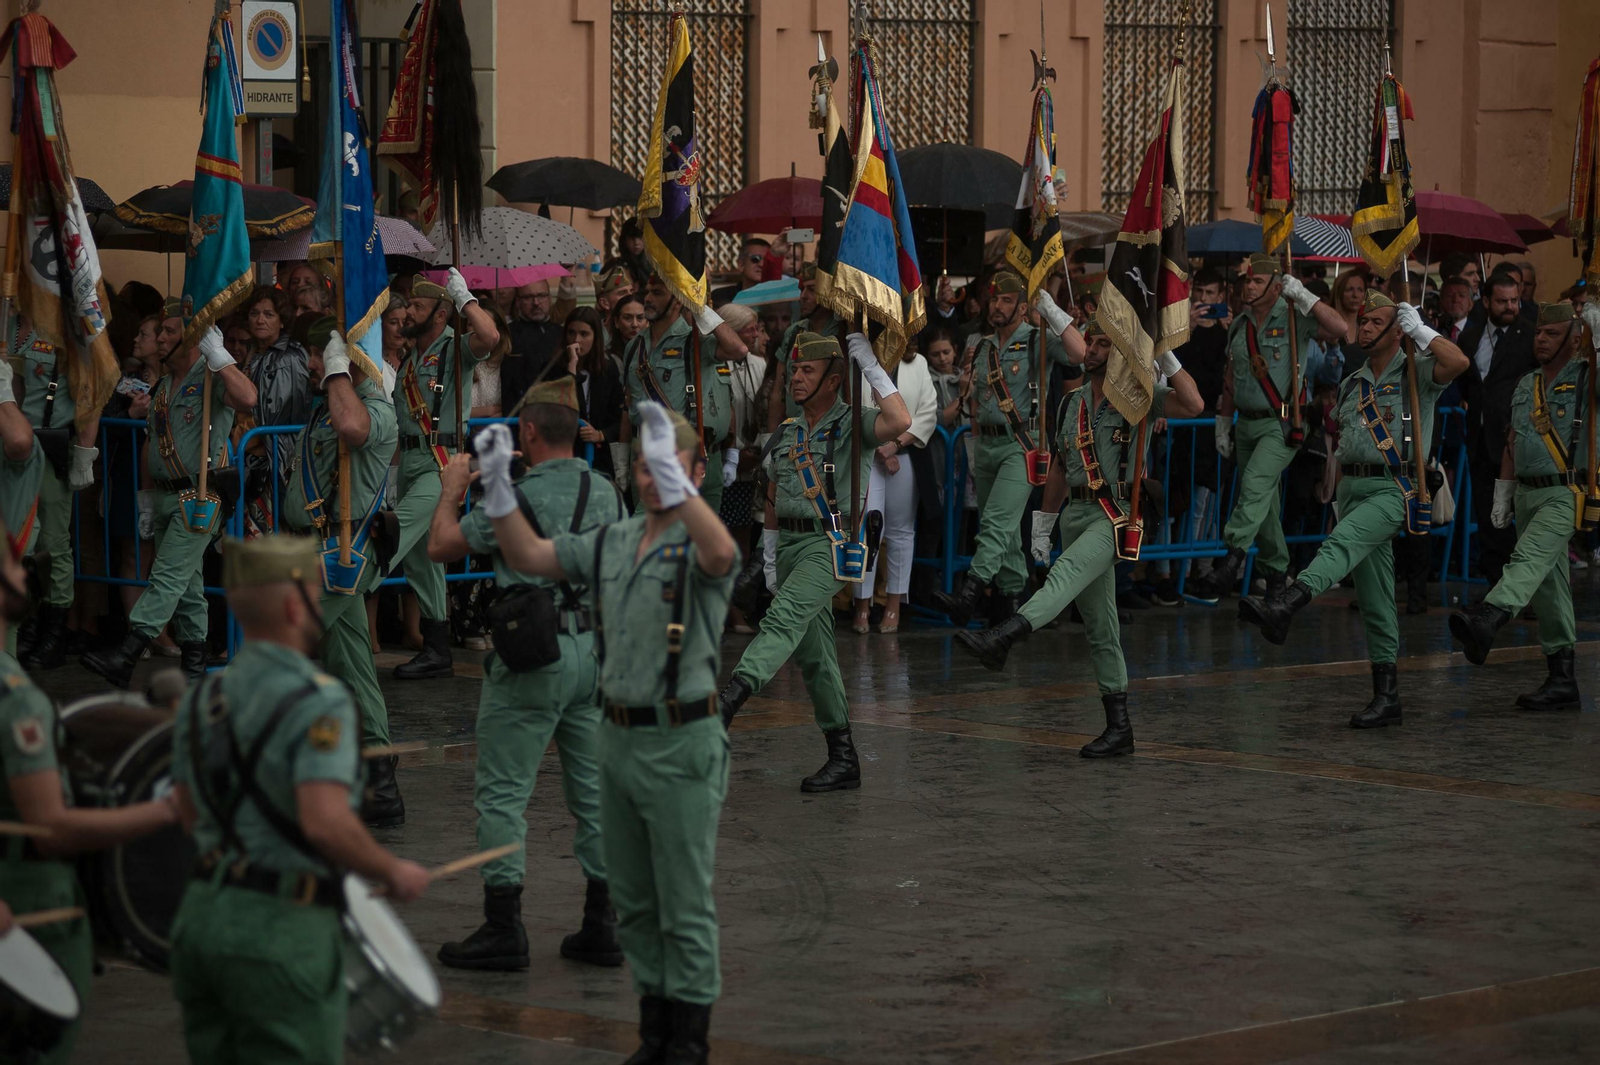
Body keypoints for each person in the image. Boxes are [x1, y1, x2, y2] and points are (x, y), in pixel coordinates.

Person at [474, 404, 737, 1065]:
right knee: (639, 907)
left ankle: (689, 1043)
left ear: (693, 472)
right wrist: (499, 489)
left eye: (667, 466)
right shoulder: (618, 538)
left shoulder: (698, 544)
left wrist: (683, 496)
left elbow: (723, 552)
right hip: (618, 737)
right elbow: (531, 553)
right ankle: (653, 1034)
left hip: (681, 741)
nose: (652, 478)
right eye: (644, 466)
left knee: (684, 903)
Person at [167, 535, 431, 1062]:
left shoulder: (203, 698)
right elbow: (324, 821)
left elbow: (187, 807)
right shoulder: (318, 699)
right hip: (279, 930)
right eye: (316, 589)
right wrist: (391, 869)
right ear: (294, 604)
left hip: (202, 920)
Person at [428, 378, 627, 972]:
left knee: (503, 792)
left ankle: (503, 924)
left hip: (530, 657)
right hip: (594, 654)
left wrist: (451, 490)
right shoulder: (608, 491)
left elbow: (441, 547)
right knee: (593, 796)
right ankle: (602, 922)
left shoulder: (510, 497)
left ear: (530, 432)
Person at [954, 321, 1203, 754]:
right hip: (1075, 513)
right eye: (1090, 341)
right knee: (1100, 627)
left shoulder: (1139, 398)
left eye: (1104, 344)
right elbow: (1058, 467)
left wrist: (1163, 355)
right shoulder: (1071, 403)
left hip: (1115, 516)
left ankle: (1005, 636)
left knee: (1063, 576)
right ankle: (1119, 726)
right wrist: (1044, 523)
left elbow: (1194, 404)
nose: (1091, 349)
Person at [1237, 291, 1468, 727]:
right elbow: (1344, 443)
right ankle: (1387, 696)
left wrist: (1421, 331)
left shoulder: (1417, 373)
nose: (1364, 328)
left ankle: (1288, 601)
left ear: (1397, 330)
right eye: (1362, 322)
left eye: (1376, 322)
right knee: (1375, 596)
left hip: (1393, 488)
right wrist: (1339, 491)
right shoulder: (1352, 382)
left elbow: (1457, 364)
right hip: (1355, 487)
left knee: (1340, 544)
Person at [2, 517, 182, 1064]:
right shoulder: (15, 699)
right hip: (32, 903)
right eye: (10, 563)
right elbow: (52, 830)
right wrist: (165, 810)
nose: (22, 570)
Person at [717, 332, 912, 791]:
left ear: (833, 379)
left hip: (829, 547)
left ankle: (729, 700)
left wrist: (869, 363)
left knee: (782, 621)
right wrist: (767, 556)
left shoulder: (855, 424)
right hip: (787, 547)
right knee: (816, 657)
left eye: (808, 371)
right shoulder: (787, 430)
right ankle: (843, 756)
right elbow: (771, 493)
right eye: (795, 369)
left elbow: (900, 418)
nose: (796, 378)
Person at [82, 325, 257, 686]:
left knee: (167, 576)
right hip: (164, 495)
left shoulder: (210, 378)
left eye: (169, 331)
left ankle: (127, 653)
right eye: (159, 331)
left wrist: (221, 358)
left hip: (200, 495)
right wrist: (145, 499)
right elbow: (152, 444)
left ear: (192, 338)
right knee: (188, 585)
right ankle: (195, 660)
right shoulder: (162, 387)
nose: (161, 338)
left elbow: (249, 399)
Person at [278, 329, 404, 827]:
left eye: (317, 356)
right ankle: (381, 779)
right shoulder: (329, 402)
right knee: (351, 662)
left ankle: (249, 767)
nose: (311, 365)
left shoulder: (375, 407)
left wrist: (335, 367)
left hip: (343, 552)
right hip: (317, 548)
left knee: (278, 649)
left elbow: (352, 429)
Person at [1449, 301, 1598, 709]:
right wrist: (1504, 492)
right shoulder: (1527, 382)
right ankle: (1562, 678)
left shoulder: (1588, 377)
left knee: (1527, 561)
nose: (1541, 340)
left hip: (1566, 491)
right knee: (1549, 587)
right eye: (1539, 333)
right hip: (1528, 493)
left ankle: (1489, 617)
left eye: (1552, 334)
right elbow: (1513, 443)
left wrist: (1598, 343)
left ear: (1574, 336)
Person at [1190, 254, 1352, 601]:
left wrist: (1306, 296)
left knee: (1254, 485)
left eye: (1257, 281)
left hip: (1281, 425)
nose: (1249, 286)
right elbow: (1231, 379)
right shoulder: (1239, 325)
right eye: (1247, 281)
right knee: (1263, 504)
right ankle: (1277, 576)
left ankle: (1232, 558)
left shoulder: (1295, 317)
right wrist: (1223, 423)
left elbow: (1341, 330)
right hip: (1245, 423)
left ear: (1278, 287)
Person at [929, 271, 1085, 625]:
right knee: (1006, 530)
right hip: (984, 445)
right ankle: (1010, 603)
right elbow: (976, 399)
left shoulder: (1037, 339)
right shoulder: (982, 345)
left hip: (1022, 445)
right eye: (994, 299)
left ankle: (969, 593)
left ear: (1022, 306)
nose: (997, 306)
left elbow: (1080, 352)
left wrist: (1054, 313)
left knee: (997, 524)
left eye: (1006, 300)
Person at [387, 268, 501, 681]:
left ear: (440, 313)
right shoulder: (410, 357)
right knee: (423, 558)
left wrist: (464, 298)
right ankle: (437, 650)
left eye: (417, 305)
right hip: (411, 463)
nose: (408, 312)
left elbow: (490, 339)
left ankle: (341, 599)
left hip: (440, 463)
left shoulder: (455, 349)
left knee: (391, 537)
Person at [619, 270, 750, 517]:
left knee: (701, 548)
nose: (647, 298)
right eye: (647, 292)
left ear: (677, 300)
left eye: (657, 293)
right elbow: (628, 405)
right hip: (654, 457)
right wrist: (621, 461)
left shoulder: (695, 341)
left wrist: (699, 308)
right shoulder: (634, 346)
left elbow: (739, 349)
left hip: (703, 457)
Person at [9, 314, 99, 670]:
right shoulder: (10, 326)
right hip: (15, 449)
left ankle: (53, 634)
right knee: (19, 543)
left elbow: (90, 396)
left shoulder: (64, 332)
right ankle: (27, 628)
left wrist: (83, 456)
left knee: (54, 544)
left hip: (49, 447)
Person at [1456, 271, 1535, 589]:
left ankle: (1526, 590)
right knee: (1489, 520)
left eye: (1514, 300)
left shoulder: (1531, 335)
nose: (1510, 307)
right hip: (1480, 441)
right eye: (1502, 301)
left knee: (1524, 519)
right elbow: (1465, 383)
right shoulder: (1471, 337)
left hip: (1518, 443)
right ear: (1486, 301)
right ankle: (1495, 589)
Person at [853, 343, 938, 634]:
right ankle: (862, 605)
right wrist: (879, 447)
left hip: (903, 454)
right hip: (868, 453)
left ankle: (893, 605)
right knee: (868, 530)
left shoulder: (918, 363)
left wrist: (894, 445)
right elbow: (854, 408)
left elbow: (928, 412)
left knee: (901, 532)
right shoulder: (862, 360)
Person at [239, 285, 312, 489]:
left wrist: (238, 436)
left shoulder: (288, 357)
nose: (260, 320)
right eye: (254, 313)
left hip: (275, 457)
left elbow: (271, 416)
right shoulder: (253, 351)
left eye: (268, 314)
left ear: (281, 321)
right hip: (252, 457)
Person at [765, 263, 846, 430]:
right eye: (802, 289)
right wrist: (771, 442)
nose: (803, 296)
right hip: (795, 430)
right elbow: (778, 392)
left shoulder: (844, 334)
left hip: (832, 432)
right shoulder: (794, 332)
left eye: (811, 290)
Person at [558, 306, 626, 483]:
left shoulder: (607, 368)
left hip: (599, 457)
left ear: (595, 336)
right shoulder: (555, 368)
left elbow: (620, 417)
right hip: (566, 453)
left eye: (584, 334)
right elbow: (562, 408)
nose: (576, 340)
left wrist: (600, 434)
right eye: (571, 333)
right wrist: (572, 368)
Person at [500, 280, 564, 410]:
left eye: (541, 295)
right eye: (528, 297)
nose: (536, 302)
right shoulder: (507, 335)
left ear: (550, 298)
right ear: (517, 301)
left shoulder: (562, 334)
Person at [710, 237, 770, 306]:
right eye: (755, 259)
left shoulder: (775, 295)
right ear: (741, 265)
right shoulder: (720, 296)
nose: (761, 264)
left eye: (767, 260)